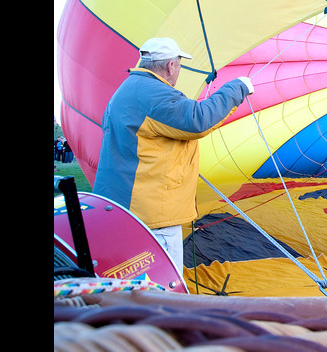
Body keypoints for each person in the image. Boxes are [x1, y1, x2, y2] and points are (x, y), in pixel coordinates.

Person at [92, 37, 253, 273]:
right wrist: (237, 87)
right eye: (179, 65)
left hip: (120, 206)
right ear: (170, 66)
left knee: (128, 280)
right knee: (164, 282)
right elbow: (198, 119)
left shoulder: (127, 89)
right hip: (151, 215)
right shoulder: (154, 94)